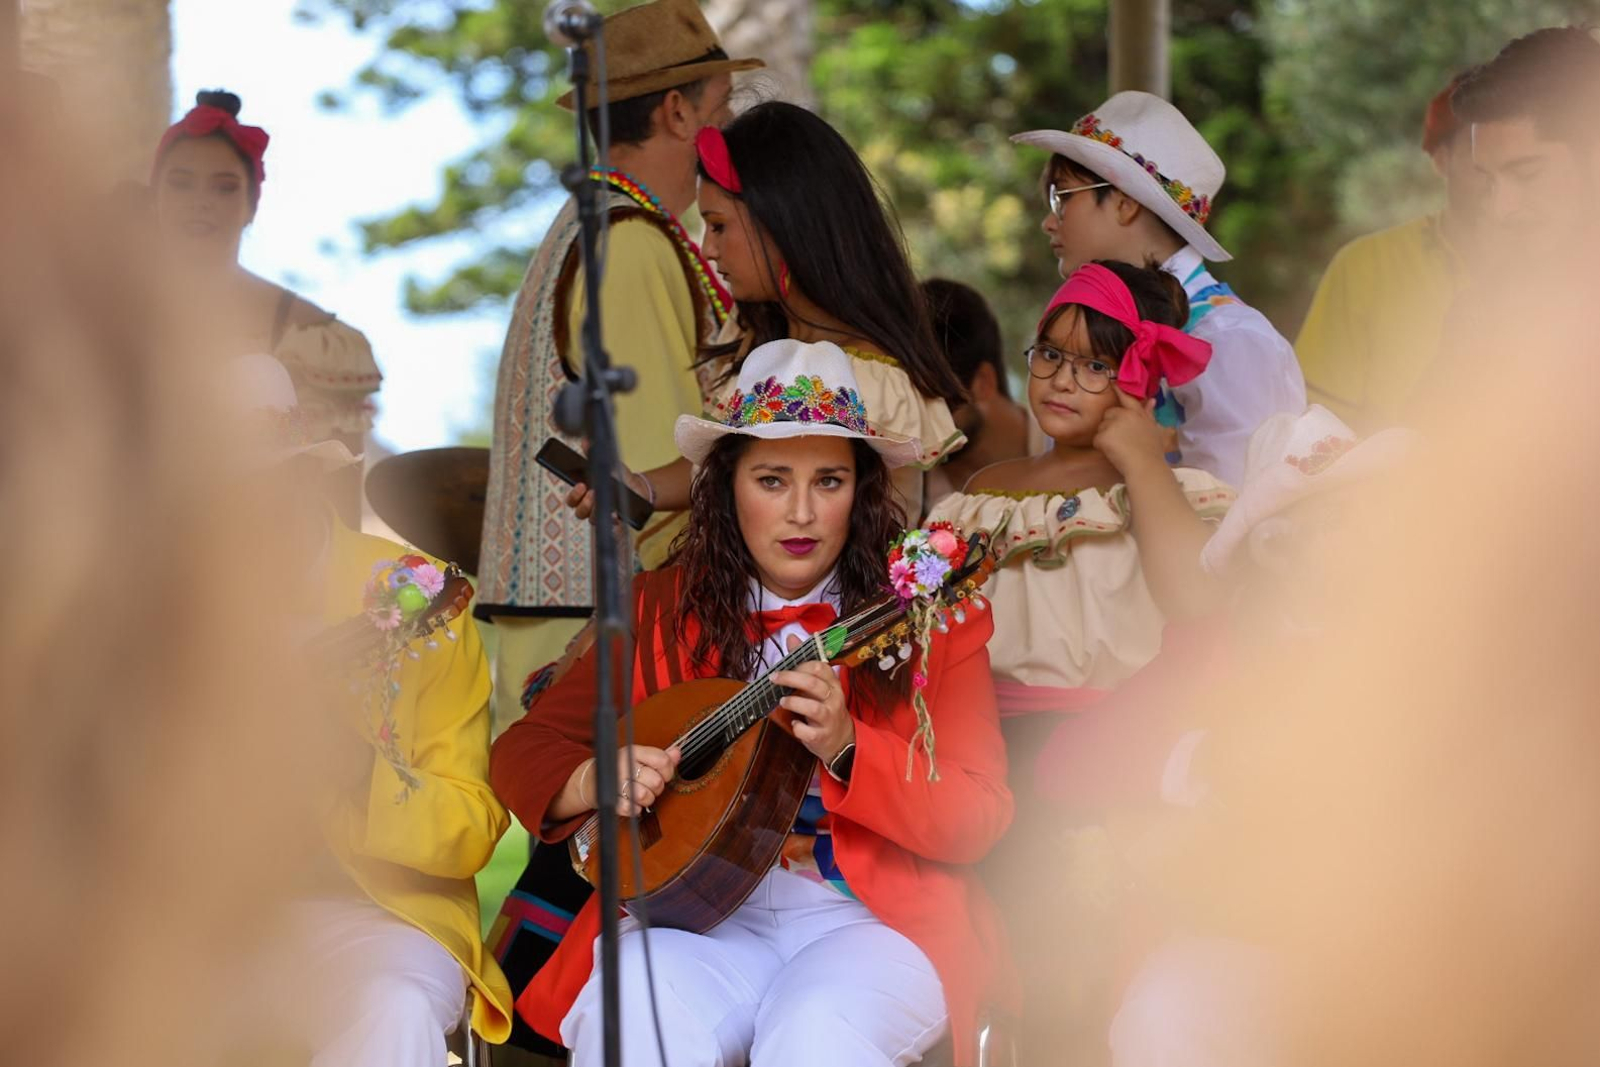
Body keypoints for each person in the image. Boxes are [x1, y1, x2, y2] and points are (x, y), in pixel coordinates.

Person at [491, 339, 1013, 1067]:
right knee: (632, 1017)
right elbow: (522, 748)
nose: (801, 512)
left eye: (828, 480)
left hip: (867, 919)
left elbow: (978, 814)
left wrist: (851, 747)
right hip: (692, 916)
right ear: (726, 483)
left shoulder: (926, 617)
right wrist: (591, 779)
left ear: (860, 491)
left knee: (815, 1037)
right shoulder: (655, 610)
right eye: (772, 479)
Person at [925, 260, 1233, 1062]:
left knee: (1093, 975)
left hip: (1114, 767)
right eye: (1049, 354)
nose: (1063, 378)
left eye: (1097, 363)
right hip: (989, 757)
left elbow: (1196, 604)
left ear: (1140, 379)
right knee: (1008, 975)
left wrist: (1139, 459)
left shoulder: (1168, 492)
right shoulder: (984, 493)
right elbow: (923, 618)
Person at [478, 0, 763, 730]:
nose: (728, 127)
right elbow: (660, 468)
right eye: (721, 107)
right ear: (676, 112)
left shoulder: (586, 222)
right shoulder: (629, 241)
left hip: (560, 629)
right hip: (604, 647)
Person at [226, 354, 514, 1065]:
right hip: (207, 917)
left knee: (392, 1005)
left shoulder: (416, 594)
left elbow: (471, 825)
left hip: (381, 911)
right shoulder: (164, 606)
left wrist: (357, 766)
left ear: (301, 475)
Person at [569, 101, 968, 523]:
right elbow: (714, 469)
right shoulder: (751, 337)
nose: (708, 248)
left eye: (719, 225)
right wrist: (639, 487)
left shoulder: (871, 378)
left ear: (781, 223)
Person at [1012, 92, 1305, 486]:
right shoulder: (1089, 321)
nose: (1049, 222)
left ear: (1124, 202)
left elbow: (1230, 514)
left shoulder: (1227, 339)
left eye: (1061, 197)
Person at [151, 89, 381, 521]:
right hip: (125, 544)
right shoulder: (101, 305)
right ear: (155, 192)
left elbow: (338, 500)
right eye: (181, 182)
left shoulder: (314, 337)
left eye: (224, 187)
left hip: (256, 552)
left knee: (260, 375)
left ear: (252, 204)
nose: (200, 200)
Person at [1295, 73, 1486, 431]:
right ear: (1441, 160)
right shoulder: (1365, 266)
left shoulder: (1576, 269)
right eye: (1481, 155)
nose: (1496, 178)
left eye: (1524, 167)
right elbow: (1319, 425)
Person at [921, 277, 1046, 508]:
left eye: (931, 401)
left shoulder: (1075, 456)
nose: (914, 424)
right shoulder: (908, 493)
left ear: (984, 383)